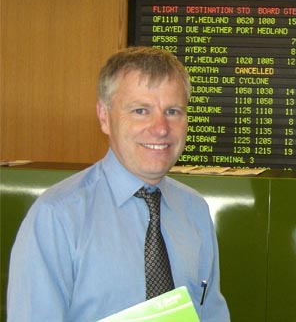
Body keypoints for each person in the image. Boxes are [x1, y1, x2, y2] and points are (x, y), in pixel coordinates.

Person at [7, 47, 230, 321]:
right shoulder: (57, 217)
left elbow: (212, 313)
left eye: (173, 111)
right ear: (104, 117)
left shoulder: (194, 210)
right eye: (140, 110)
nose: (160, 128)